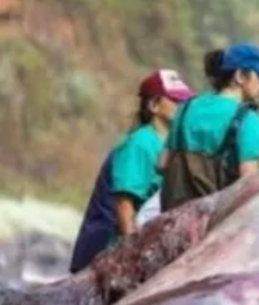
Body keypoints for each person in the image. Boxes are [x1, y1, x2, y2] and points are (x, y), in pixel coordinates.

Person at [68, 69, 195, 273]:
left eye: (185, 102)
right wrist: (132, 259)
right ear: (153, 105)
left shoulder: (168, 145)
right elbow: (124, 206)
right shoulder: (140, 144)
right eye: (175, 100)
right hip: (106, 252)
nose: (183, 107)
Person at [160, 43, 259, 212]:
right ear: (240, 76)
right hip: (212, 225)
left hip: (171, 219)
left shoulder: (187, 107)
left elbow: (162, 163)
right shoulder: (248, 119)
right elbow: (249, 182)